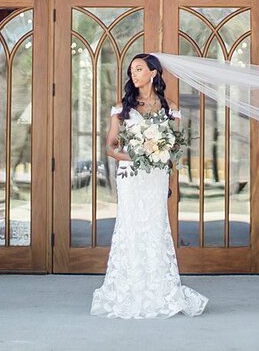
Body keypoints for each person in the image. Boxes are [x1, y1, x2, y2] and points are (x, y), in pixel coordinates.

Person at [90, 53, 208, 319]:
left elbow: (175, 147)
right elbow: (110, 148)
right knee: (130, 226)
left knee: (155, 227)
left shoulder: (170, 107)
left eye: (140, 69)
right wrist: (133, 156)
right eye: (132, 69)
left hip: (155, 177)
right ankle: (126, 290)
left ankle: (158, 291)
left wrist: (159, 154)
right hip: (130, 175)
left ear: (153, 73)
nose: (134, 73)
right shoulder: (122, 107)